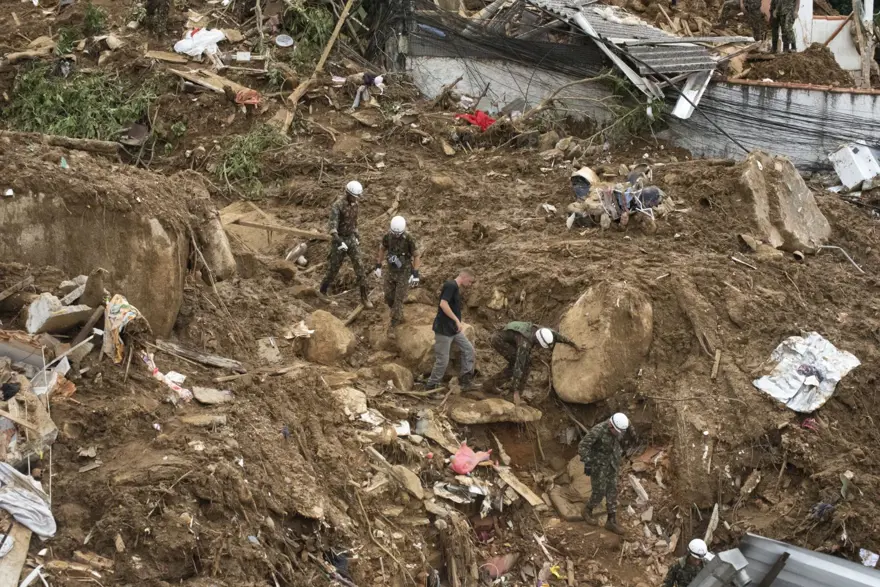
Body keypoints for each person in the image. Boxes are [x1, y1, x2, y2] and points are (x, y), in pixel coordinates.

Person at [484, 322, 581, 403]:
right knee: (518, 365)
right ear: (538, 342)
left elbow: (557, 336)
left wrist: (574, 345)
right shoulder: (525, 343)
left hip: (510, 339)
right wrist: (515, 391)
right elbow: (519, 366)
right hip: (499, 340)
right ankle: (510, 394)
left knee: (527, 364)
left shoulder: (543, 332)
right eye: (542, 346)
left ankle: (492, 385)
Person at [321, 181, 372, 309]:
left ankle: (364, 297)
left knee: (360, 267)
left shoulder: (356, 205)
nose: (356, 199)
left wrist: (357, 236)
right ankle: (322, 291)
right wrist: (339, 242)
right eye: (355, 196)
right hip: (339, 240)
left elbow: (354, 224)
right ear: (348, 194)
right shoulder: (337, 206)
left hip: (351, 239)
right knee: (333, 268)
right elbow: (332, 228)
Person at [578, 413, 630, 535]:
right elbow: (583, 446)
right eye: (618, 432)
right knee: (599, 491)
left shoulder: (619, 428)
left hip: (612, 464)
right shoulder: (598, 430)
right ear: (611, 425)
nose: (619, 435)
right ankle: (587, 510)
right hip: (599, 466)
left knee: (612, 490)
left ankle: (611, 521)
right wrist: (588, 462)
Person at [425, 269, 476, 390]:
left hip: (453, 330)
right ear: (464, 277)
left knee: (469, 349)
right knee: (443, 360)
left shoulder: (455, 288)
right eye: (470, 281)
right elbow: (443, 304)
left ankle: (465, 381)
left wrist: (456, 322)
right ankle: (431, 386)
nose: (470, 284)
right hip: (444, 329)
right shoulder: (450, 285)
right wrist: (457, 320)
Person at [374, 215, 421, 328]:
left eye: (398, 234)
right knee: (389, 297)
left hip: (404, 272)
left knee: (398, 299)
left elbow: (417, 256)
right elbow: (382, 249)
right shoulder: (388, 236)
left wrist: (415, 274)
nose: (396, 236)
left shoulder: (409, 238)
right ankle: (399, 314)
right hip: (391, 271)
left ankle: (394, 326)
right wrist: (378, 266)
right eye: (394, 233)